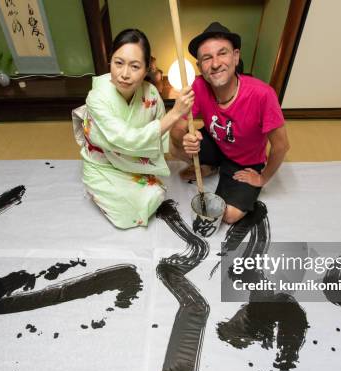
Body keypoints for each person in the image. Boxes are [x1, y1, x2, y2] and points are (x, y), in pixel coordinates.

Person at [170, 22, 289, 224]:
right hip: (217, 144)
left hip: (245, 162)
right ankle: (212, 165)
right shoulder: (199, 86)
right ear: (199, 66)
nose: (215, 64)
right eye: (207, 58)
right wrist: (186, 138)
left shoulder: (262, 94)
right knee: (176, 147)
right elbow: (177, 128)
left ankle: (216, 167)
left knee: (229, 216)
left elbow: (282, 146)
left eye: (222, 53)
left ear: (235, 56)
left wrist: (263, 178)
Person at [74, 29, 194, 229]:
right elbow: (126, 139)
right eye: (118, 63)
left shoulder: (151, 93)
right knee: (126, 216)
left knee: (155, 195)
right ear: (110, 61)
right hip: (103, 165)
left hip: (132, 161)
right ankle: (98, 189)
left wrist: (184, 151)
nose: (124, 74)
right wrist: (175, 114)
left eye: (135, 66)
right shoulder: (97, 97)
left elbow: (162, 136)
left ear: (147, 68)